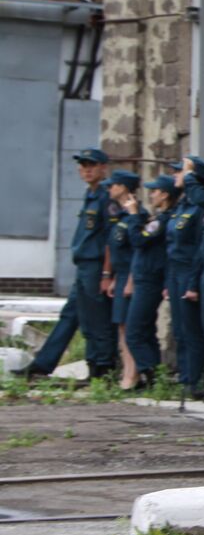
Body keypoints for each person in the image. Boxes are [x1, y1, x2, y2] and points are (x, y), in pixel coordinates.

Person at [28, 149, 116, 378]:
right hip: (84, 266)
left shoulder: (106, 197)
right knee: (70, 316)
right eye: (83, 165)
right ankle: (41, 366)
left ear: (103, 168)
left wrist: (107, 273)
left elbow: (110, 239)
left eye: (92, 165)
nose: (86, 169)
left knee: (96, 318)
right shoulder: (91, 194)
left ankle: (102, 367)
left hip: (96, 267)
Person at [124, 175, 175, 382]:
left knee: (134, 332)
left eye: (155, 191)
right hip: (145, 278)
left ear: (164, 195)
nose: (151, 195)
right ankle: (155, 374)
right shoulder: (158, 218)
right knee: (145, 330)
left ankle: (150, 372)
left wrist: (134, 215)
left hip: (150, 281)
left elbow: (138, 240)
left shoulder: (162, 221)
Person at [166, 160, 204, 394]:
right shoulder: (181, 206)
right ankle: (184, 377)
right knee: (180, 329)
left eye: (180, 170)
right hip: (174, 271)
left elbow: (198, 250)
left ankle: (194, 380)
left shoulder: (199, 208)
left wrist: (192, 283)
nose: (175, 174)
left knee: (192, 330)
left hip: (188, 272)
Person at [103, 170, 142, 389]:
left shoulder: (136, 214)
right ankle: (127, 373)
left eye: (114, 185)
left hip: (132, 275)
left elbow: (138, 250)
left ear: (125, 188)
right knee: (121, 326)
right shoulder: (120, 215)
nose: (109, 189)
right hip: (122, 274)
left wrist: (130, 280)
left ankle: (132, 374)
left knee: (129, 326)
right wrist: (115, 276)